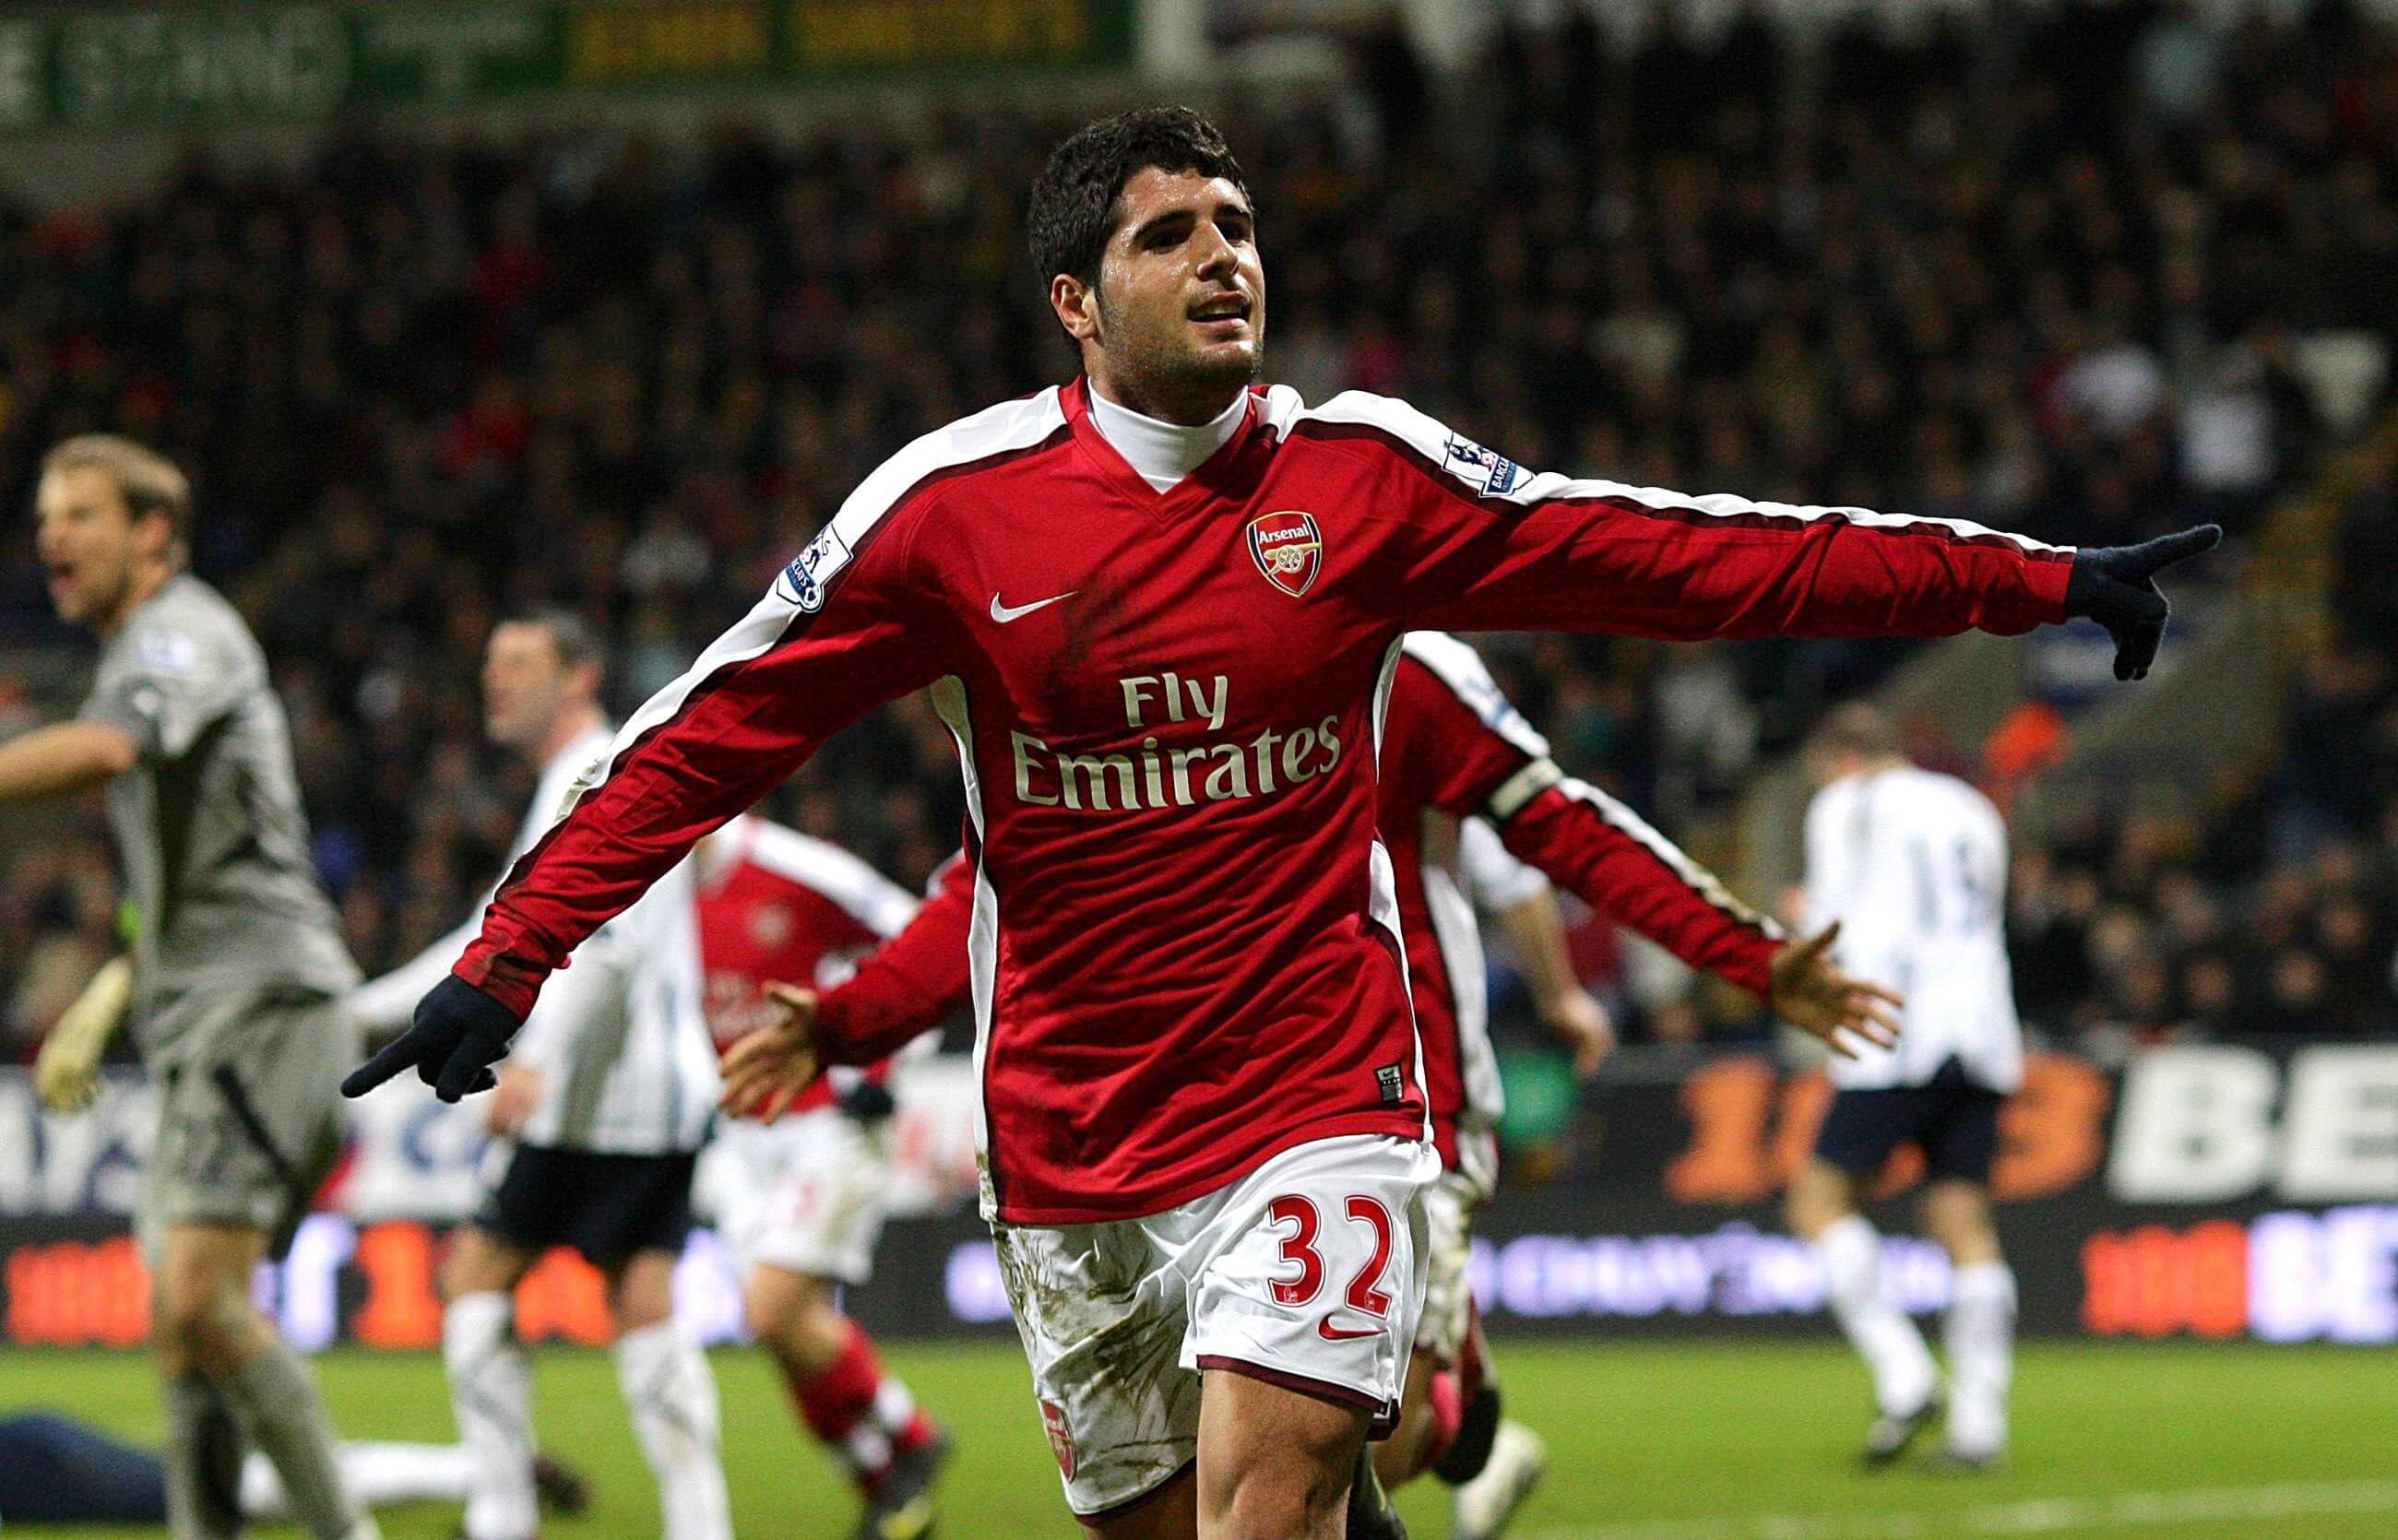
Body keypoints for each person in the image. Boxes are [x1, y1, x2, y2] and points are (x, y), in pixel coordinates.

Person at [346, 107, 2214, 1539]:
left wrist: (2025, 573)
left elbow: (1685, 554)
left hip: (1320, 1093)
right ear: (1078, 302)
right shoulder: (948, 521)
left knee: (1276, 1486)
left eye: (1237, 227)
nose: (1223, 258)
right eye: (1168, 237)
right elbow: (698, 742)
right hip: (1071, 1134)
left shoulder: (1363, 483)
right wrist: (510, 958)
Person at [726, 631, 1905, 1540]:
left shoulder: (1395, 656)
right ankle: (1449, 1400)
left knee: (1316, 1470)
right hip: (1152, 1127)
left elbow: (1555, 823)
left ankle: (1443, 1400)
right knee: (1221, 1492)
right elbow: (987, 893)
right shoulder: (1096, 658)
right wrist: (840, 1022)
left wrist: (1740, 953)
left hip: (1384, 1091)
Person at [8, 435, 375, 1540]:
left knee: (201, 1298)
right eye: (43, 517)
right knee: (183, 1325)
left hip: (265, 1009)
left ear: (152, 532)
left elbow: (107, 753)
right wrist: (113, 989)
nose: (52, 536)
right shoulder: (138, 648)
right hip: (202, 1015)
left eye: (80, 513)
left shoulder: (183, 631)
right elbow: (193, 866)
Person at [349, 612, 730, 1540]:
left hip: (599, 1092)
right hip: (661, 1096)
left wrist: (534, 1063)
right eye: (489, 664)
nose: (495, 680)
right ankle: (698, 1524)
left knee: (475, 1275)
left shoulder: (595, 771)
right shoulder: (589, 769)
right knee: (640, 1302)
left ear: (578, 674)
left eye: (518, 663)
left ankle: (502, 1511)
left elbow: (612, 946)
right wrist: (365, 1008)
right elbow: (494, 936)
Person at [691, 813, 951, 1539]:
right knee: (775, 1328)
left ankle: (911, 1436)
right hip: (739, 1137)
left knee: (773, 1310)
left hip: (825, 1124)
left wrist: (878, 1058)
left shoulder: (794, 866)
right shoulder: (652, 891)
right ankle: (883, 1483)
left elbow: (922, 931)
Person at [1781, 704, 2025, 1471]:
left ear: (1842, 758)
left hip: (1896, 1032)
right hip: (1984, 1028)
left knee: (1817, 1201)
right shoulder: (1971, 806)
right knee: (1962, 1217)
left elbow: (1832, 926)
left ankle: (1904, 1371)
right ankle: (1981, 1428)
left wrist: (1797, 920)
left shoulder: (1850, 803)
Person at [0, 1411, 588, 1528]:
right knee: (253, 1484)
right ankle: (484, 1469)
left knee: (244, 1490)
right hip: (33, 1446)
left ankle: (484, 1471)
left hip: (30, 1459)